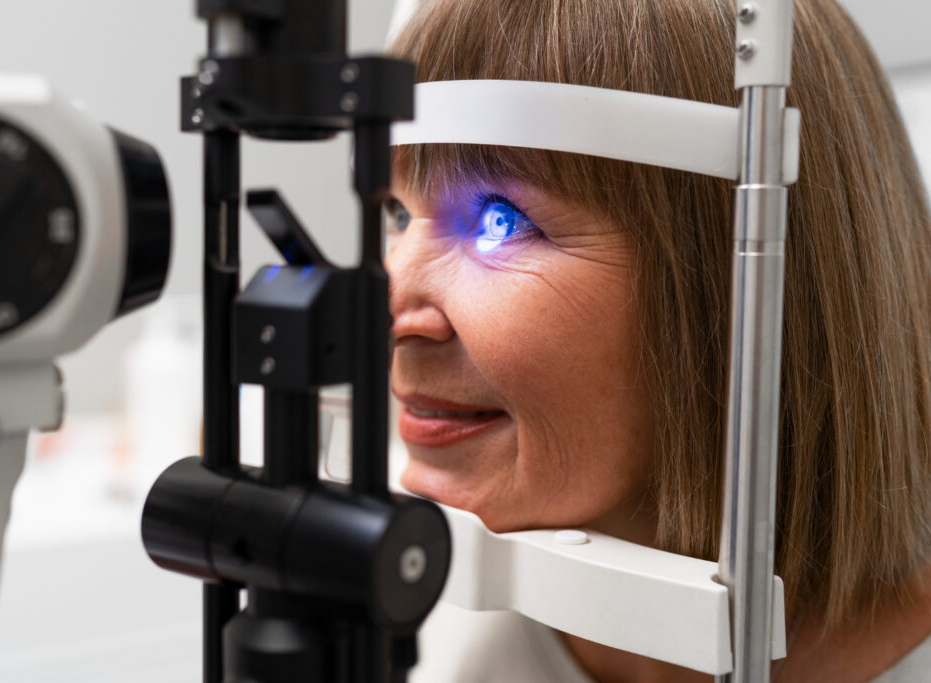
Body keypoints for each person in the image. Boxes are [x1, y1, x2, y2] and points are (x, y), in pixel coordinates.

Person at [383, 0, 931, 681]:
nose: (386, 300)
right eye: (397, 212)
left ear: (730, 287)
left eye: (501, 220)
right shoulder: (417, 597)